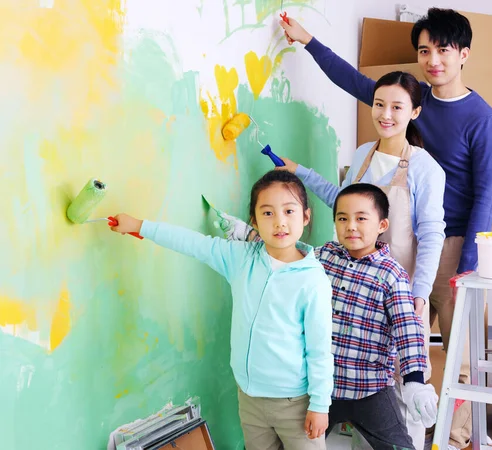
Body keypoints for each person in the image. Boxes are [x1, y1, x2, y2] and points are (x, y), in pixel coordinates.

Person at [280, 9, 492, 449]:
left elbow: (487, 199)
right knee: (403, 354)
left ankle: (455, 437)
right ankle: (404, 436)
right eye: (425, 50)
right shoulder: (404, 101)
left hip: (449, 247)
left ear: (464, 55)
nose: (433, 59)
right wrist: (307, 39)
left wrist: (464, 270)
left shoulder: (484, 121)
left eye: (443, 50)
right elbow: (352, 81)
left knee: (459, 356)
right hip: (390, 253)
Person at [276, 70, 446, 450]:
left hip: (398, 289)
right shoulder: (362, 154)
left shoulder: (425, 168)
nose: (385, 114)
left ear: (414, 112)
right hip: (355, 289)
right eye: (379, 104)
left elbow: (433, 235)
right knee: (352, 383)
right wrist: (298, 172)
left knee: (406, 394)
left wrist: (419, 295)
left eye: (397, 107)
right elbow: (344, 201)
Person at [109, 170, 334, 450]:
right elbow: (193, 243)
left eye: (289, 211)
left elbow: (319, 350)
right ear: (253, 220)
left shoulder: (313, 280)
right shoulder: (239, 259)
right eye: (267, 213)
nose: (280, 222)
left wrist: (320, 405)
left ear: (306, 217)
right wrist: (140, 226)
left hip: (295, 404)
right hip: (250, 398)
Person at [219, 182, 439, 449]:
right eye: (342, 218)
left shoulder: (391, 275)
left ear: (382, 225)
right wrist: (246, 234)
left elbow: (408, 329)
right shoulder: (322, 257)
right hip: (322, 392)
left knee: (399, 446)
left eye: (361, 218)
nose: (351, 226)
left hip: (369, 390)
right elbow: (287, 250)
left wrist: (415, 380)